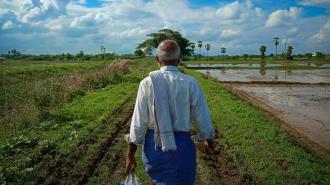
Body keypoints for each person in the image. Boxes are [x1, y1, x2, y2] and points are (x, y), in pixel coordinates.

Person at [125, 39, 214, 185]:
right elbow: (201, 118)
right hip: (182, 148)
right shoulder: (191, 83)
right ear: (179, 60)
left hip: (154, 148)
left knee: (159, 180)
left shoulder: (147, 83)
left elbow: (138, 123)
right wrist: (209, 141)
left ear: (157, 59)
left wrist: (130, 155)